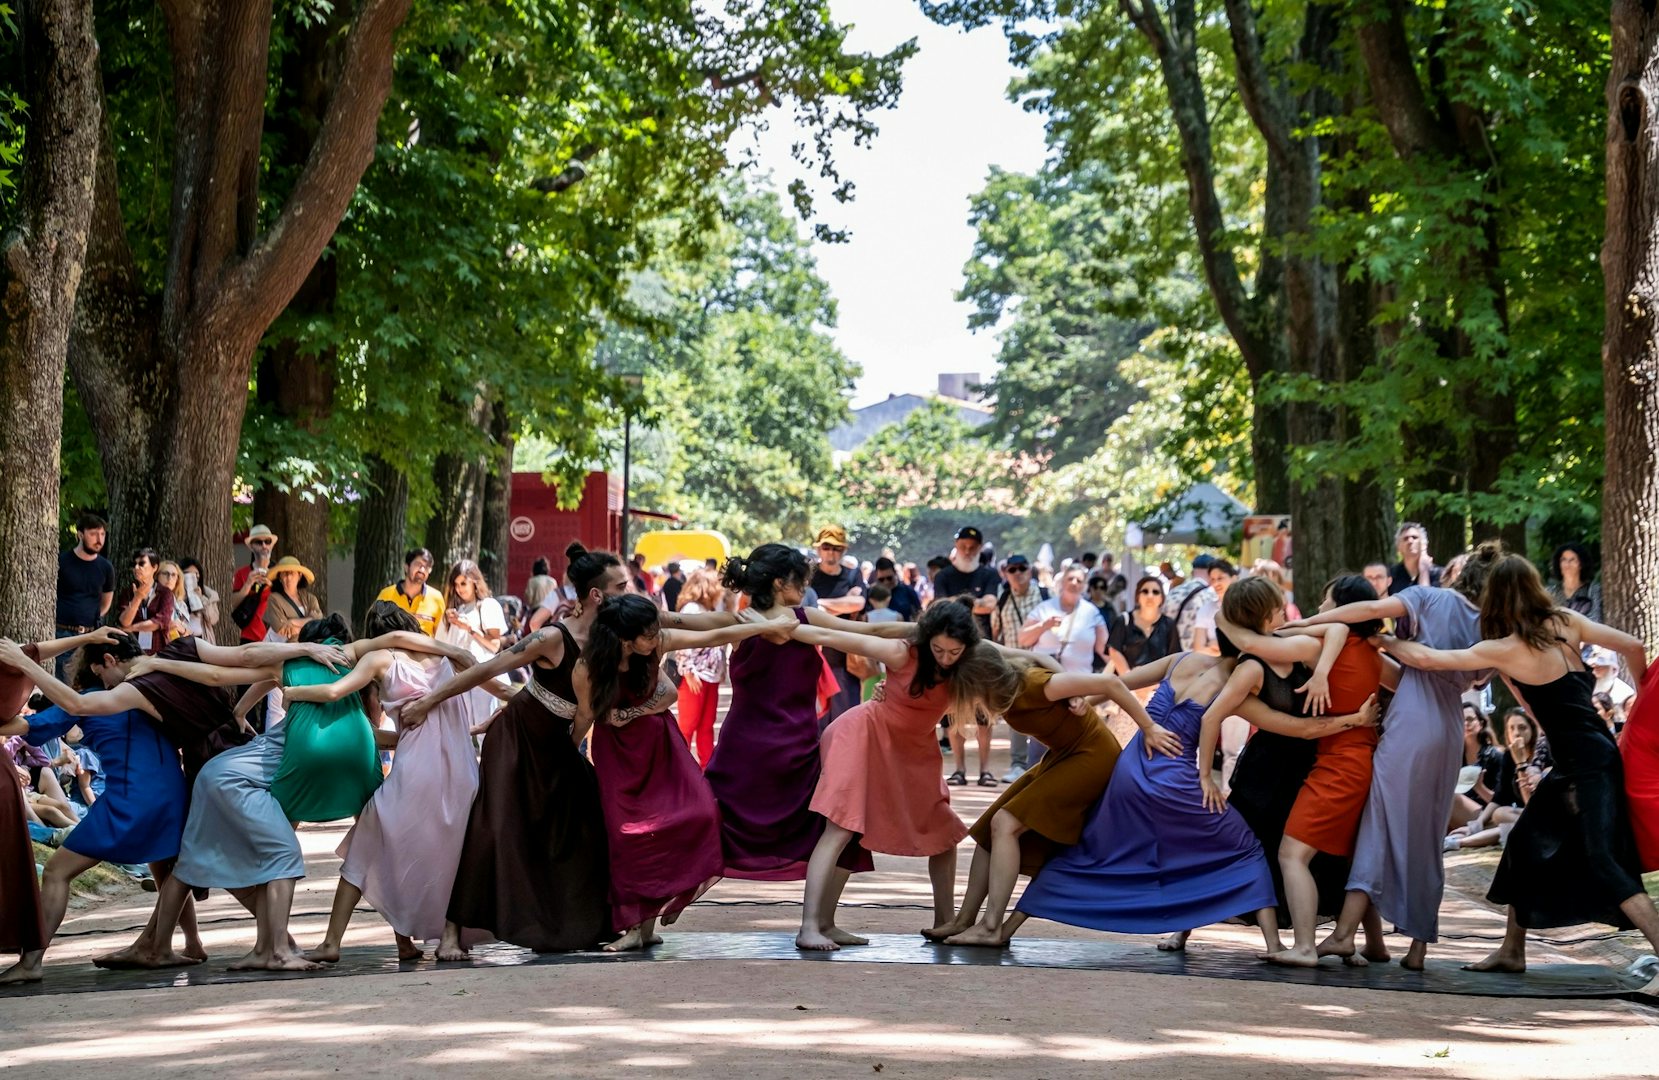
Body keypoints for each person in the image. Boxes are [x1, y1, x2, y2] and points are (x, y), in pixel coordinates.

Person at [401, 541, 731, 959]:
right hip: (521, 736)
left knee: (590, 823)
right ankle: (451, 932)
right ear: (597, 595)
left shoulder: (628, 627)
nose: (630, 590)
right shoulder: (553, 637)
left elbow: (704, 626)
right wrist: (429, 701)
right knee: (494, 826)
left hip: (566, 742)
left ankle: (583, 922)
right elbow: (484, 668)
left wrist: (761, 618)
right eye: (620, 585)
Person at [0, 629, 350, 971]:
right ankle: (183, 943)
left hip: (160, 787)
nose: (107, 682)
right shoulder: (179, 653)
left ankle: (34, 961)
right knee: (179, 866)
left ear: (108, 660)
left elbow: (62, 708)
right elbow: (247, 660)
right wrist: (300, 649)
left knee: (62, 870)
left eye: (103, 673)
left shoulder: (128, 692)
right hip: (189, 779)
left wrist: (23, 663)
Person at [1377, 553, 1659, 976]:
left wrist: (1383, 642)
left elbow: (1430, 660)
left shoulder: (1505, 648)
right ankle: (1512, 950)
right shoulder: (1567, 622)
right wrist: (1639, 704)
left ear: (1497, 598)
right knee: (1524, 845)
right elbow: (1635, 647)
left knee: (1605, 862)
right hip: (1593, 756)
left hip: (1582, 767)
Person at [1009, 644, 1377, 953]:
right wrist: (1355, 720)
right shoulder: (1232, 691)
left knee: (1093, 850)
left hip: (1131, 773)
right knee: (1245, 849)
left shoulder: (1181, 659)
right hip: (1175, 784)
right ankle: (1274, 946)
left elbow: (1116, 683)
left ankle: (1007, 923)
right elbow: (1300, 728)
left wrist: (1076, 699)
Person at [1290, 541, 1502, 970]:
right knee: (1428, 832)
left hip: (1411, 721)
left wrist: (1312, 621)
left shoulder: (1427, 596)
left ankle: (1345, 933)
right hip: (1448, 728)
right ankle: (1418, 946)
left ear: (1457, 576)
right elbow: (1477, 682)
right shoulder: (1491, 623)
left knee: (1379, 823)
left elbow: (1362, 611)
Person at [575, 595, 793, 951]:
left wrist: (767, 626)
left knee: (702, 812)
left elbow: (712, 636)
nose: (655, 637)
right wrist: (568, 754)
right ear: (625, 639)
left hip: (660, 746)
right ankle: (636, 928)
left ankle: (667, 902)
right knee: (628, 835)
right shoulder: (589, 665)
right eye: (647, 634)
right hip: (617, 755)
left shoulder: (656, 645)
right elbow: (585, 716)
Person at [288, 603, 492, 963]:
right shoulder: (447, 660)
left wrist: (292, 694)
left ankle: (332, 942)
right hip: (461, 770)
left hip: (416, 770)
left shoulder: (380, 659)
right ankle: (440, 939)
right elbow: (488, 681)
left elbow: (335, 692)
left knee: (366, 848)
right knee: (455, 853)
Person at [1215, 575, 1392, 968]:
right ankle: (1361, 940)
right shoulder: (1372, 654)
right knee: (1342, 858)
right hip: (1357, 758)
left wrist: (1224, 618)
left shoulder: (1320, 644)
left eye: (1327, 602)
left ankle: (1307, 946)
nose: (1320, 608)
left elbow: (1254, 644)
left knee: (1292, 854)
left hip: (1338, 762)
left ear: (1344, 609)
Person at [792, 602, 991, 951]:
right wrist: (779, 625)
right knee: (841, 828)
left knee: (943, 832)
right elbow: (836, 635)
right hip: (864, 735)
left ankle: (945, 922)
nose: (945, 658)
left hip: (913, 750)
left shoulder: (972, 659)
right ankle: (810, 926)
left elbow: (1022, 660)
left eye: (954, 652)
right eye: (938, 649)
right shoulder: (903, 652)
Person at [923, 651, 1154, 947]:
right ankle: (964, 921)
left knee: (1005, 823)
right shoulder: (999, 684)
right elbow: (1032, 654)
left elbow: (1111, 683)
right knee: (986, 830)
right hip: (1062, 755)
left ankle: (991, 926)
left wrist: (1149, 728)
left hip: (1092, 757)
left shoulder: (1035, 685)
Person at [705, 545, 897, 892]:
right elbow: (870, 634)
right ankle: (821, 922)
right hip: (790, 749)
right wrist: (926, 629)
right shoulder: (803, 618)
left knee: (707, 823)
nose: (806, 586)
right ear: (781, 582)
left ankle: (653, 913)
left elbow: (677, 625)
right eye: (801, 580)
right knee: (839, 825)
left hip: (750, 752)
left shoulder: (747, 621)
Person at [992, 553, 1050, 783]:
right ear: (1006, 573)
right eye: (1012, 569)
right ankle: (1018, 763)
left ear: (1029, 570)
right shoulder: (1003, 598)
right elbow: (996, 633)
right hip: (1012, 666)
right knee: (1015, 712)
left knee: (1044, 712)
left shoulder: (1045, 596)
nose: (1017, 573)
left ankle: (1043, 762)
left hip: (1041, 663)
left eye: (1021, 568)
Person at [436, 559, 509, 728]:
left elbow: (494, 645)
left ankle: (491, 755)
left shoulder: (488, 605)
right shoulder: (453, 611)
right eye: (456, 584)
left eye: (463, 583)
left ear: (475, 581)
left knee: (487, 728)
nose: (459, 589)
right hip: (458, 676)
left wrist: (469, 628)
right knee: (462, 730)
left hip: (483, 674)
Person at [807, 524, 866, 723]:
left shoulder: (852, 574)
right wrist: (843, 604)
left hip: (845, 657)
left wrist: (820, 604)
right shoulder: (809, 575)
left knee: (846, 720)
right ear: (818, 549)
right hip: (814, 657)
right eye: (826, 547)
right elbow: (803, 607)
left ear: (844, 550)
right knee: (816, 721)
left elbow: (858, 603)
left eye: (836, 548)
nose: (831, 552)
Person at [672, 568, 728, 767]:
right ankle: (682, 770)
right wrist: (688, 671)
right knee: (688, 725)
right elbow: (682, 641)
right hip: (695, 676)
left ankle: (706, 769)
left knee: (706, 725)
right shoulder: (691, 609)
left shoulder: (708, 609)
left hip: (709, 676)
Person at [55, 514, 117, 681]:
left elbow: (105, 603)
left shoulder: (106, 567)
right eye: (93, 534)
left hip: (91, 634)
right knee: (62, 683)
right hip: (62, 632)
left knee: (88, 683)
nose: (99, 539)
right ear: (80, 534)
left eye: (102, 534)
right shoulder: (62, 562)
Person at [930, 526, 1002, 636]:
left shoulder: (990, 574)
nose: (967, 551)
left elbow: (989, 604)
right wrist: (976, 603)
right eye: (963, 546)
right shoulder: (943, 576)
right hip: (951, 637)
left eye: (972, 547)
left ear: (980, 547)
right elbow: (940, 606)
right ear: (956, 545)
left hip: (982, 639)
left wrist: (954, 603)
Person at [1107, 575, 1177, 676]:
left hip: (1157, 686)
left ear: (1162, 598)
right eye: (1145, 591)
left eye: (1155, 592)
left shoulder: (1169, 624)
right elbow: (1114, 651)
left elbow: (1174, 658)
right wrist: (1131, 680)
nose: (1150, 596)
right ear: (1137, 596)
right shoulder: (1124, 621)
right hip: (1125, 685)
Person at [116, 549, 176, 656]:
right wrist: (137, 599)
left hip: (158, 652)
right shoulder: (128, 592)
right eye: (134, 564)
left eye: (141, 564)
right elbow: (124, 622)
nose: (136, 568)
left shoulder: (165, 593)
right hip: (131, 650)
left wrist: (132, 628)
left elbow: (160, 622)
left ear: (155, 567)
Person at [376, 548, 445, 636]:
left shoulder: (437, 598)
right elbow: (375, 629)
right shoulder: (386, 595)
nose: (422, 570)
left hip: (424, 649)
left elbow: (441, 637)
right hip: (393, 648)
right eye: (418, 564)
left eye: (426, 566)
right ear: (406, 567)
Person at [229, 524, 280, 644]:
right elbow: (232, 604)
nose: (264, 546)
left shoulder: (279, 572)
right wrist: (247, 585)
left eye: (267, 542)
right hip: (249, 636)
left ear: (271, 545)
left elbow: (288, 599)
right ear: (251, 546)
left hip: (276, 636)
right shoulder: (242, 573)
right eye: (258, 542)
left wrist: (272, 586)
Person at [260, 556, 323, 642]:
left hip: (306, 646)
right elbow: (281, 628)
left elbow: (319, 622)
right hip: (280, 650)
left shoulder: (310, 598)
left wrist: (292, 622)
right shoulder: (274, 599)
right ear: (280, 577)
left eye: (292, 573)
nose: (289, 578)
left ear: (299, 576)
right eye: (285, 574)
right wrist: (310, 621)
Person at [1164, 554, 1217, 652]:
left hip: (1172, 658)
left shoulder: (1173, 593)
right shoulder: (1212, 596)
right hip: (1199, 659)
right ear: (1212, 573)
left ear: (1192, 572)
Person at [1190, 559, 1238, 655]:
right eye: (1212, 579)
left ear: (1233, 578)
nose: (1216, 584)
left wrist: (1215, 644)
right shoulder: (1205, 609)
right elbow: (1198, 649)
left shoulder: (1245, 606)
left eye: (1220, 578)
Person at [1547, 542, 1601, 623]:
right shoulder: (1549, 593)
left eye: (1572, 560)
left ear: (1581, 564)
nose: (1567, 564)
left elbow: (1597, 620)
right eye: (1563, 560)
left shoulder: (1594, 591)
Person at [1387, 521, 1442, 595]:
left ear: (1424, 544)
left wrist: (1424, 569)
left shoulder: (1440, 574)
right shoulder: (1390, 576)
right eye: (1405, 539)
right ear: (1398, 547)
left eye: (1414, 537)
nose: (1410, 541)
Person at [175, 557, 220, 638]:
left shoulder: (209, 595)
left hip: (202, 639)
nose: (191, 577)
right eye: (187, 573)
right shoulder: (173, 593)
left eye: (196, 574)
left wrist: (201, 598)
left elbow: (213, 619)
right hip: (180, 640)